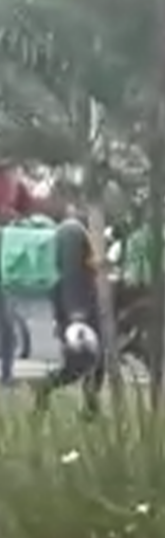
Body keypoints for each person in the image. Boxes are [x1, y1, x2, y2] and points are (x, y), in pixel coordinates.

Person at [34, 213, 103, 416]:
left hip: (78, 307)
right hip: (77, 311)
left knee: (95, 362)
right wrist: (77, 315)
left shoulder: (73, 233)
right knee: (79, 364)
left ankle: (91, 409)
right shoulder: (72, 231)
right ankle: (44, 390)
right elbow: (72, 274)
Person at [0, 164, 51, 385]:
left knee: (6, 319)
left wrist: (29, 220)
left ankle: (7, 373)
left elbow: (29, 209)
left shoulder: (16, 183)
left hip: (6, 260)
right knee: (6, 319)